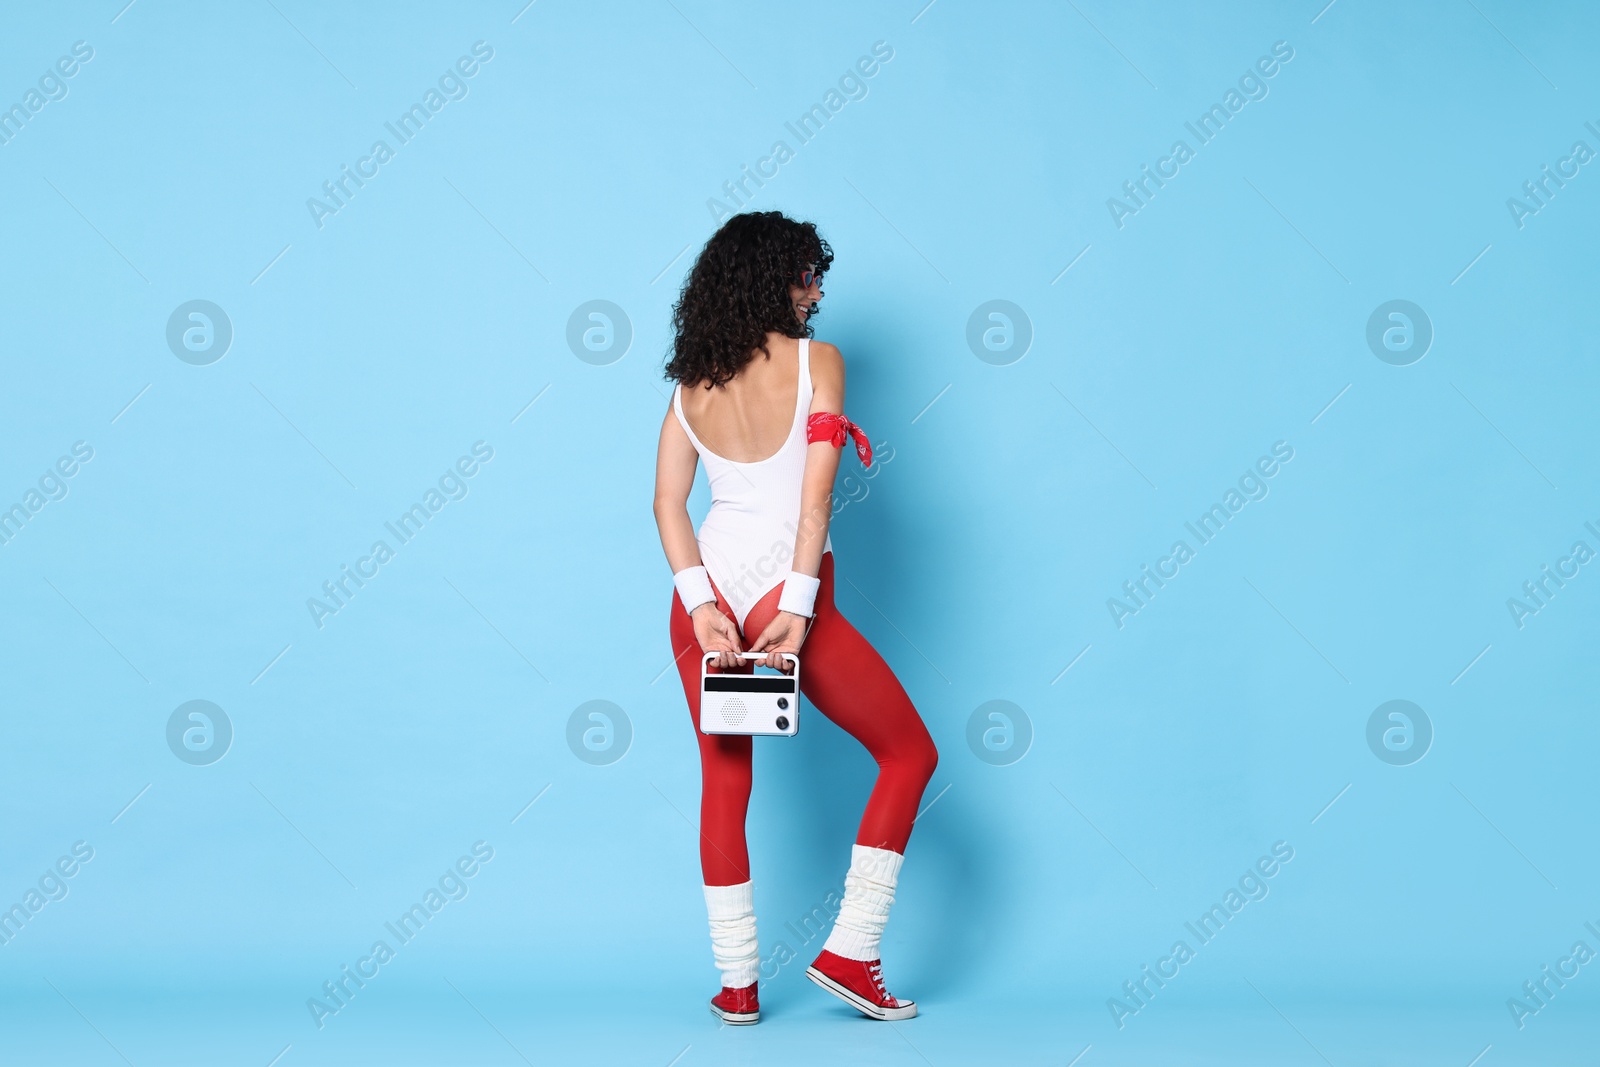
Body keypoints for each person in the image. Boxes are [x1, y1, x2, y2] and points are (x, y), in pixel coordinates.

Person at [653, 211, 938, 1024]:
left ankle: (738, 987)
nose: (817, 292)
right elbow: (815, 502)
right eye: (807, 275)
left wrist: (705, 605)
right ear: (771, 279)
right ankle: (852, 951)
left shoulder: (690, 387)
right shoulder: (820, 362)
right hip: (786, 592)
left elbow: (667, 503)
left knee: (724, 783)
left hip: (701, 601)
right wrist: (801, 608)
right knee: (909, 752)